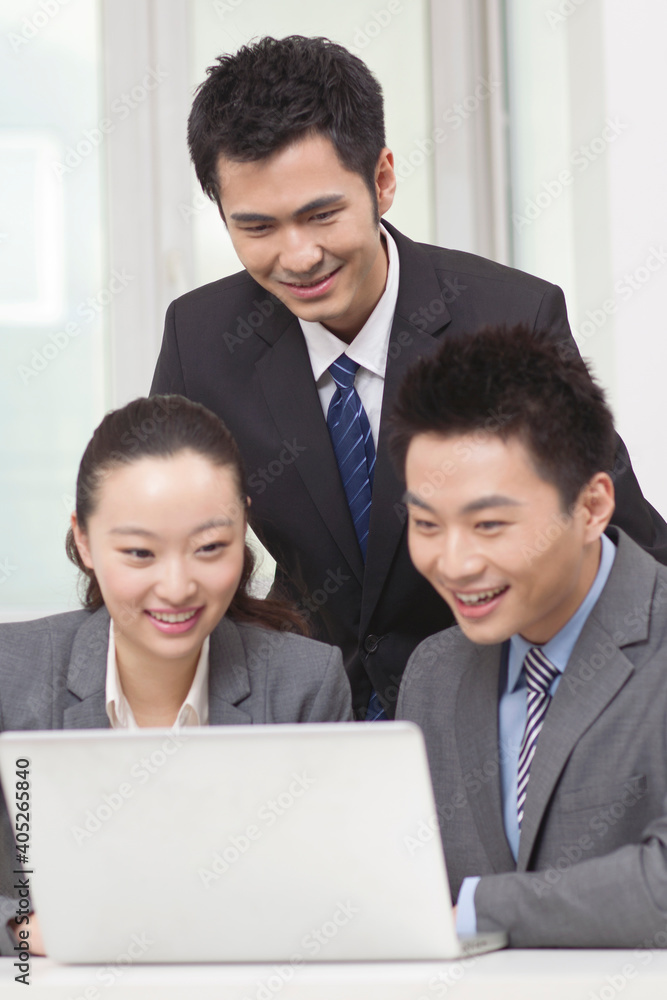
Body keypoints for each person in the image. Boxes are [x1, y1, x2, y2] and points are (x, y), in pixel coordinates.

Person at [151, 35, 667, 721]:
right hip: (309, 715)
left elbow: (622, 538)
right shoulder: (202, 337)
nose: (297, 256)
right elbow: (166, 541)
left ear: (383, 180)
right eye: (257, 228)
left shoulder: (508, 314)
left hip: (492, 705)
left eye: (321, 214)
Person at [0, 394, 352, 956]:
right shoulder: (10, 675)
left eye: (210, 548)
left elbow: (339, 895)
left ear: (244, 532)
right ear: (85, 541)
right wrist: (25, 928)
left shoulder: (304, 683)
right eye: (140, 553)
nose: (178, 586)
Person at [393, 324, 667, 948]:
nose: (455, 563)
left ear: (593, 506)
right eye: (426, 524)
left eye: (489, 524)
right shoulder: (434, 672)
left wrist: (474, 906)